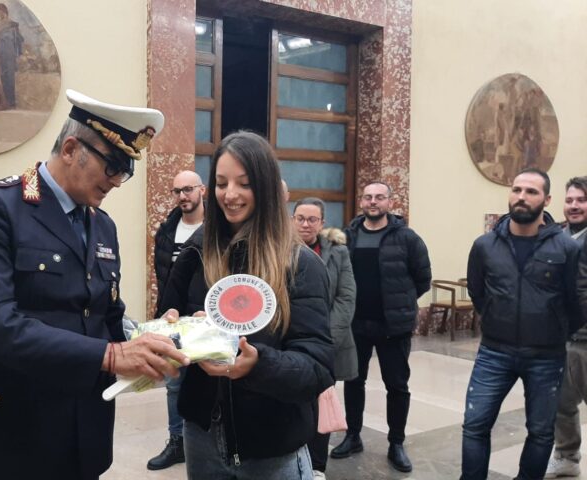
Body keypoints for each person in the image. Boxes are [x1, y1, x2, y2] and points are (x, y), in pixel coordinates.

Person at [0, 89, 189, 480]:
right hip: (9, 432)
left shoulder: (102, 224)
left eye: (127, 170)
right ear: (72, 148)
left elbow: (106, 313)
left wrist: (154, 335)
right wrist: (110, 356)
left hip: (81, 431)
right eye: (112, 166)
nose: (118, 181)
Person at [157, 130, 335, 479]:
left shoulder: (299, 264)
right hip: (202, 433)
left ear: (266, 188)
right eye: (221, 183)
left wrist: (258, 365)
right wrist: (177, 331)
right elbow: (167, 317)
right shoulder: (196, 253)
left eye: (244, 183)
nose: (230, 194)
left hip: (272, 442)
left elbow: (318, 368)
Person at [462, 168, 583, 480]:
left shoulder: (566, 248)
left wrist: (555, 333)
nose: (522, 197)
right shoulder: (485, 245)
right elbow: (477, 291)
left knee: (541, 432)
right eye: (517, 190)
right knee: (475, 426)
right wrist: (493, 318)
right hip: (494, 352)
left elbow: (576, 301)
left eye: (531, 192)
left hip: (546, 356)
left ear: (546, 199)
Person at [331, 181, 431, 473]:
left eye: (379, 197)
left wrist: (400, 305)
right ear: (361, 202)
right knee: (353, 381)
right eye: (368, 197)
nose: (373, 202)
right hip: (355, 325)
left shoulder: (407, 238)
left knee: (397, 386)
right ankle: (353, 436)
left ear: (390, 201)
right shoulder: (346, 237)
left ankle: (396, 443)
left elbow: (422, 279)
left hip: (393, 326)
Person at [293, 197, 357, 479]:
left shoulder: (337, 253)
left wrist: (323, 340)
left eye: (312, 219)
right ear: (292, 219)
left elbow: (346, 297)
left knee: (320, 405)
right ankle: (292, 458)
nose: (306, 224)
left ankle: (317, 467)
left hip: (326, 343)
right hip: (290, 342)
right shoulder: (279, 250)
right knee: (293, 403)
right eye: (300, 218)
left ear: (322, 223)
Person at [147, 170, 206, 471]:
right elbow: (164, 275)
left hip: (204, 317)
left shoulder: (215, 228)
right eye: (177, 191)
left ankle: (208, 443)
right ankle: (176, 441)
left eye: (188, 190)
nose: (182, 196)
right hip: (172, 318)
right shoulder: (167, 229)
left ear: (202, 191)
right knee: (173, 383)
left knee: (207, 379)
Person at [545, 175, 587, 478]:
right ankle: (567, 456)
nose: (574, 206)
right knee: (561, 403)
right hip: (559, 337)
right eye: (570, 199)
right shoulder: (557, 234)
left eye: (581, 200)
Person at [0, 3, 24, 109]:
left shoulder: (13, 24)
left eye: (0, 12)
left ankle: (11, 102)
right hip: (1, 53)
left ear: (4, 11)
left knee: (10, 78)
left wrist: (19, 54)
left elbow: (19, 40)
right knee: (2, 77)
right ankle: (5, 102)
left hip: (10, 53)